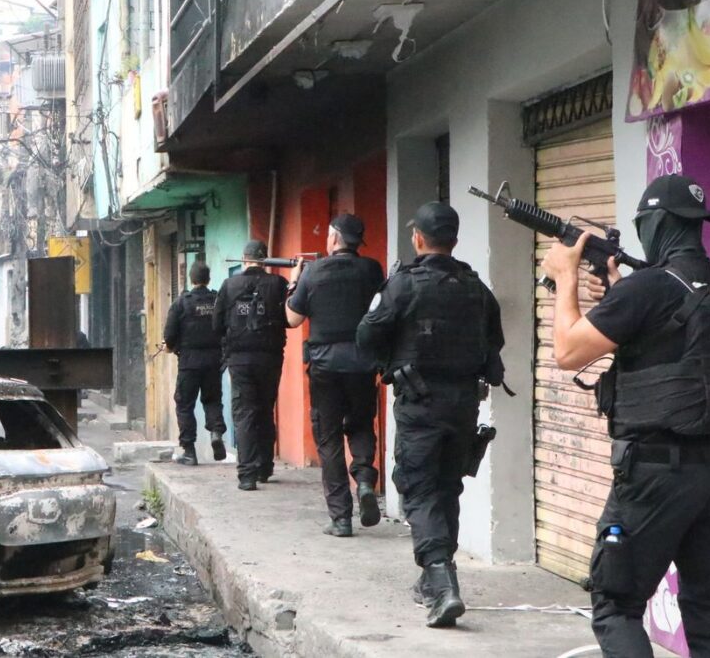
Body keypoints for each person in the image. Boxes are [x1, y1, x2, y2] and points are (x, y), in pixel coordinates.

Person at [541, 174, 710, 658]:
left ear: (652, 224)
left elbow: (569, 352)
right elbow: (672, 346)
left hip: (656, 475)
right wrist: (616, 291)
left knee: (616, 605)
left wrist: (565, 276)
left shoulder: (649, 288)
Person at [357, 202, 506, 629]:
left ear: (418, 239)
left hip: (420, 405)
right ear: (454, 240)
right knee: (447, 487)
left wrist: (389, 355)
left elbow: (367, 334)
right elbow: (494, 341)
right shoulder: (476, 287)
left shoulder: (404, 285)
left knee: (419, 490)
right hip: (463, 405)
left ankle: (441, 583)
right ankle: (434, 578)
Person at [286, 213, 385, 538]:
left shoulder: (313, 273)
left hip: (325, 366)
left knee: (328, 438)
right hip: (362, 362)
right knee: (360, 424)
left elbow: (292, 320)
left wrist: (294, 282)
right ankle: (366, 479)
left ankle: (341, 518)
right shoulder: (372, 270)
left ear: (332, 238)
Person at [214, 240, 289, 491]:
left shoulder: (229, 285)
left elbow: (216, 324)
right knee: (265, 410)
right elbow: (289, 318)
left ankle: (247, 475)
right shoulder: (278, 284)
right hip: (270, 358)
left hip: (240, 359)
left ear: (245, 259)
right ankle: (264, 468)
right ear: (265, 259)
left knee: (245, 412)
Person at [164, 261, 226, 466]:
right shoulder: (218, 300)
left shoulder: (181, 303)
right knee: (213, 400)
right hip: (214, 361)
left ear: (191, 279)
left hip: (189, 363)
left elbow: (170, 336)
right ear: (208, 279)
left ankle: (189, 452)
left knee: (184, 404)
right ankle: (216, 433)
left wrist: (171, 346)